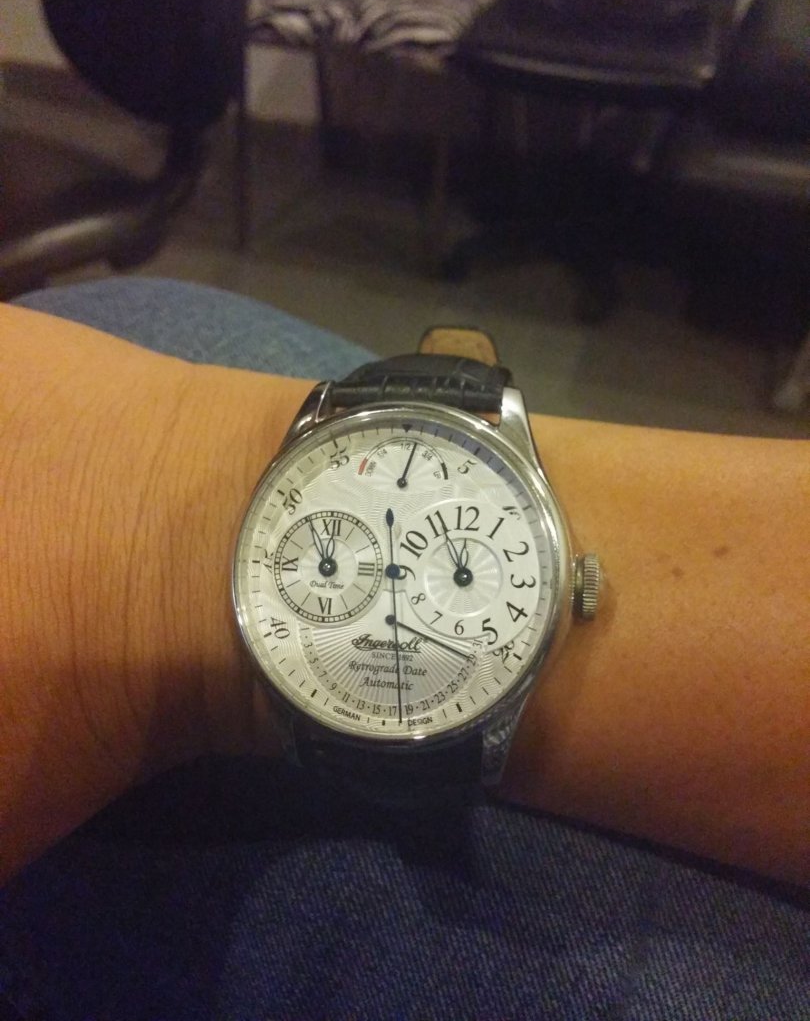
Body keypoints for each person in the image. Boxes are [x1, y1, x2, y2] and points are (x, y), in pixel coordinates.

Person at [1, 278, 808, 1020]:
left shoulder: (548, 568)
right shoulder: (328, 449)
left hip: (405, 701)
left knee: (133, 307)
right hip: (338, 691)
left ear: (575, 586)